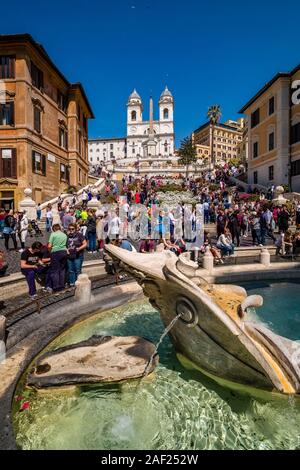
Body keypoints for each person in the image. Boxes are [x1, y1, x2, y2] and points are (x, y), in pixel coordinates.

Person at [47, 224, 68, 292]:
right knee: (62, 270)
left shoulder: (53, 234)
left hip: (55, 252)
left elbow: (49, 246)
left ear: (53, 229)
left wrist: (50, 252)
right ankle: (62, 286)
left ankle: (56, 287)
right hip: (64, 252)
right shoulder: (64, 235)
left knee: (55, 271)